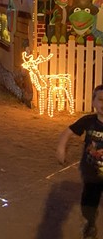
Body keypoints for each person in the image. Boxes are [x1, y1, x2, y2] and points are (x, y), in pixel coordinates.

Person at [57, 84, 103, 239]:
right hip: (91, 174)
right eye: (101, 99)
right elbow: (68, 132)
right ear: (93, 102)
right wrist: (61, 148)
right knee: (88, 204)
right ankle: (90, 223)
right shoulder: (88, 121)